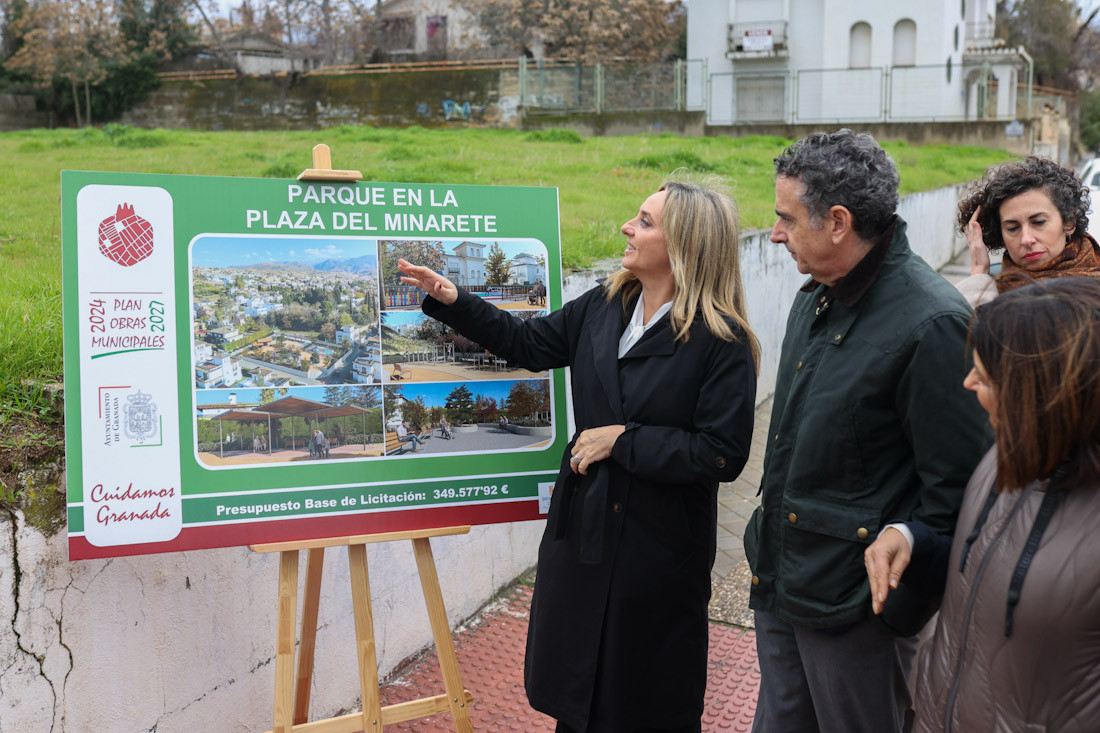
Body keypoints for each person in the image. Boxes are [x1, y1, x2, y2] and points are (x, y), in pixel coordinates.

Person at [398, 173, 760, 733]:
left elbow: (722, 453)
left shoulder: (721, 338)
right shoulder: (606, 304)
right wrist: (454, 300)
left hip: (658, 550)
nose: (627, 227)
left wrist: (622, 439)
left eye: (645, 221)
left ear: (683, 245)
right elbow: (528, 343)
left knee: (642, 701)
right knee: (579, 695)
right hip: (586, 529)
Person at [748, 130, 989, 733]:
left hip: (857, 610)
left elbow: (960, 494)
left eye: (785, 218)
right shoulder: (817, 295)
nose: (774, 233)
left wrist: (894, 606)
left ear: (838, 222)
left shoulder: (933, 323)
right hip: (782, 581)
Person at [865, 277, 1100, 732]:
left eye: (987, 375)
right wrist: (914, 541)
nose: (968, 382)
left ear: (1044, 392)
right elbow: (984, 567)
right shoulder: (998, 460)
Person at [955, 155, 1100, 307]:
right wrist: (979, 271)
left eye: (1039, 222)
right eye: (1013, 228)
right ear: (1001, 236)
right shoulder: (989, 288)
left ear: (1069, 222)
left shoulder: (1094, 291)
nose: (1026, 239)